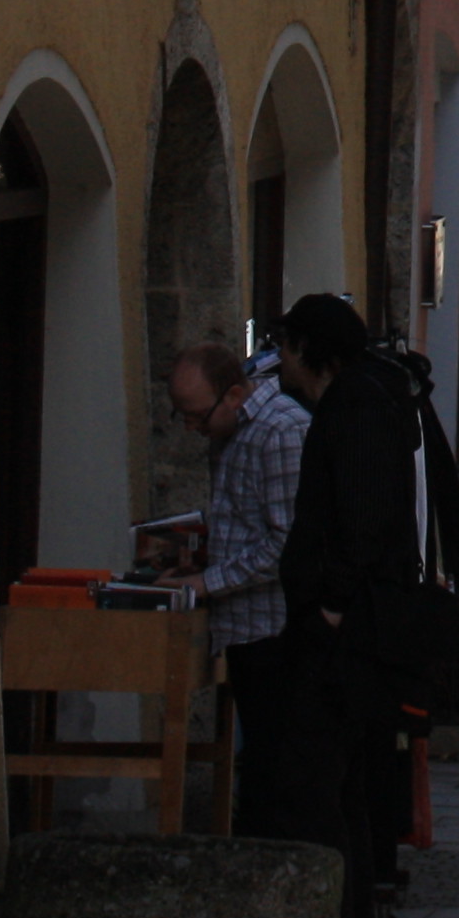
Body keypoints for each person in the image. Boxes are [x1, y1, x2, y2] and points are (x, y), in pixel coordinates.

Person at [273, 293, 459, 918]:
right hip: (366, 626)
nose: (281, 363)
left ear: (312, 352)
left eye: (288, 348)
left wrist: (331, 604)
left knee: (319, 792)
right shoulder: (375, 399)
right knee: (344, 792)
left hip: (349, 634)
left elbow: (359, 515)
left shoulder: (351, 410)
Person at [168, 338, 309, 838]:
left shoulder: (280, 432)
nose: (192, 428)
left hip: (275, 629)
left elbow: (286, 544)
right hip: (248, 631)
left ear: (232, 395)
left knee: (274, 772)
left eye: (197, 416)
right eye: (182, 417)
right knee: (260, 767)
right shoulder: (233, 433)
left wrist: (206, 583)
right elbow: (243, 522)